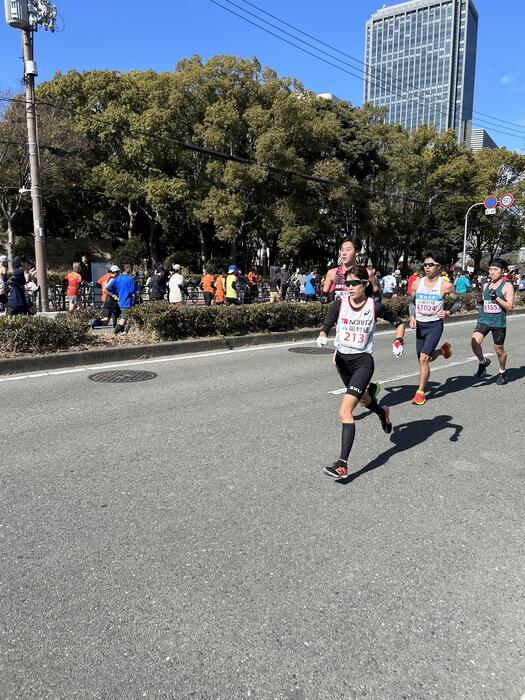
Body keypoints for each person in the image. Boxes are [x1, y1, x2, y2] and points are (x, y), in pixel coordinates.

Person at [316, 266, 406, 479]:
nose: (349, 288)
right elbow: (327, 325)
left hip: (362, 362)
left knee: (345, 410)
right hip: (342, 362)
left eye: (354, 283)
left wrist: (398, 340)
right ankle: (382, 412)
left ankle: (342, 464)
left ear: (365, 284)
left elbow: (399, 323)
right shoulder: (338, 305)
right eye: (346, 284)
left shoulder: (374, 306)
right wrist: (322, 335)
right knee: (364, 399)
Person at [409, 252, 462, 405]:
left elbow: (458, 302)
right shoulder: (417, 283)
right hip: (420, 325)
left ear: (438, 267)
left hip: (434, 326)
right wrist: (412, 316)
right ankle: (443, 350)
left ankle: (420, 392)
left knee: (424, 359)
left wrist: (449, 311)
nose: (427, 268)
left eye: (430, 265)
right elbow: (412, 302)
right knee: (423, 359)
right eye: (425, 265)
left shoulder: (445, 285)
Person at [471, 259, 514, 385]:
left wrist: (497, 297)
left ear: (502, 271)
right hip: (484, 319)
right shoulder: (486, 284)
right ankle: (483, 362)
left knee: (499, 350)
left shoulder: (507, 286)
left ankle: (502, 372)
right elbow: (486, 301)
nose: (492, 272)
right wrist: (480, 300)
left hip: (498, 322)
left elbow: (509, 306)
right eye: (490, 269)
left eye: (495, 270)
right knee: (474, 342)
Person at [322, 237, 380, 301]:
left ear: (357, 252)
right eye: (342, 250)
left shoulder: (367, 273)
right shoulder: (332, 273)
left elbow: (377, 297)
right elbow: (323, 297)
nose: (344, 253)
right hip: (339, 310)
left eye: (348, 250)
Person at [105, 262, 139, 334]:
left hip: (121, 300)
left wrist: (114, 294)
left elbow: (107, 288)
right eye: (131, 268)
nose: (132, 270)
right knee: (123, 319)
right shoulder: (130, 279)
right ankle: (115, 333)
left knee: (129, 318)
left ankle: (124, 332)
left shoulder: (117, 278)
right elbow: (133, 290)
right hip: (128, 301)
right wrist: (136, 284)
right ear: (127, 268)